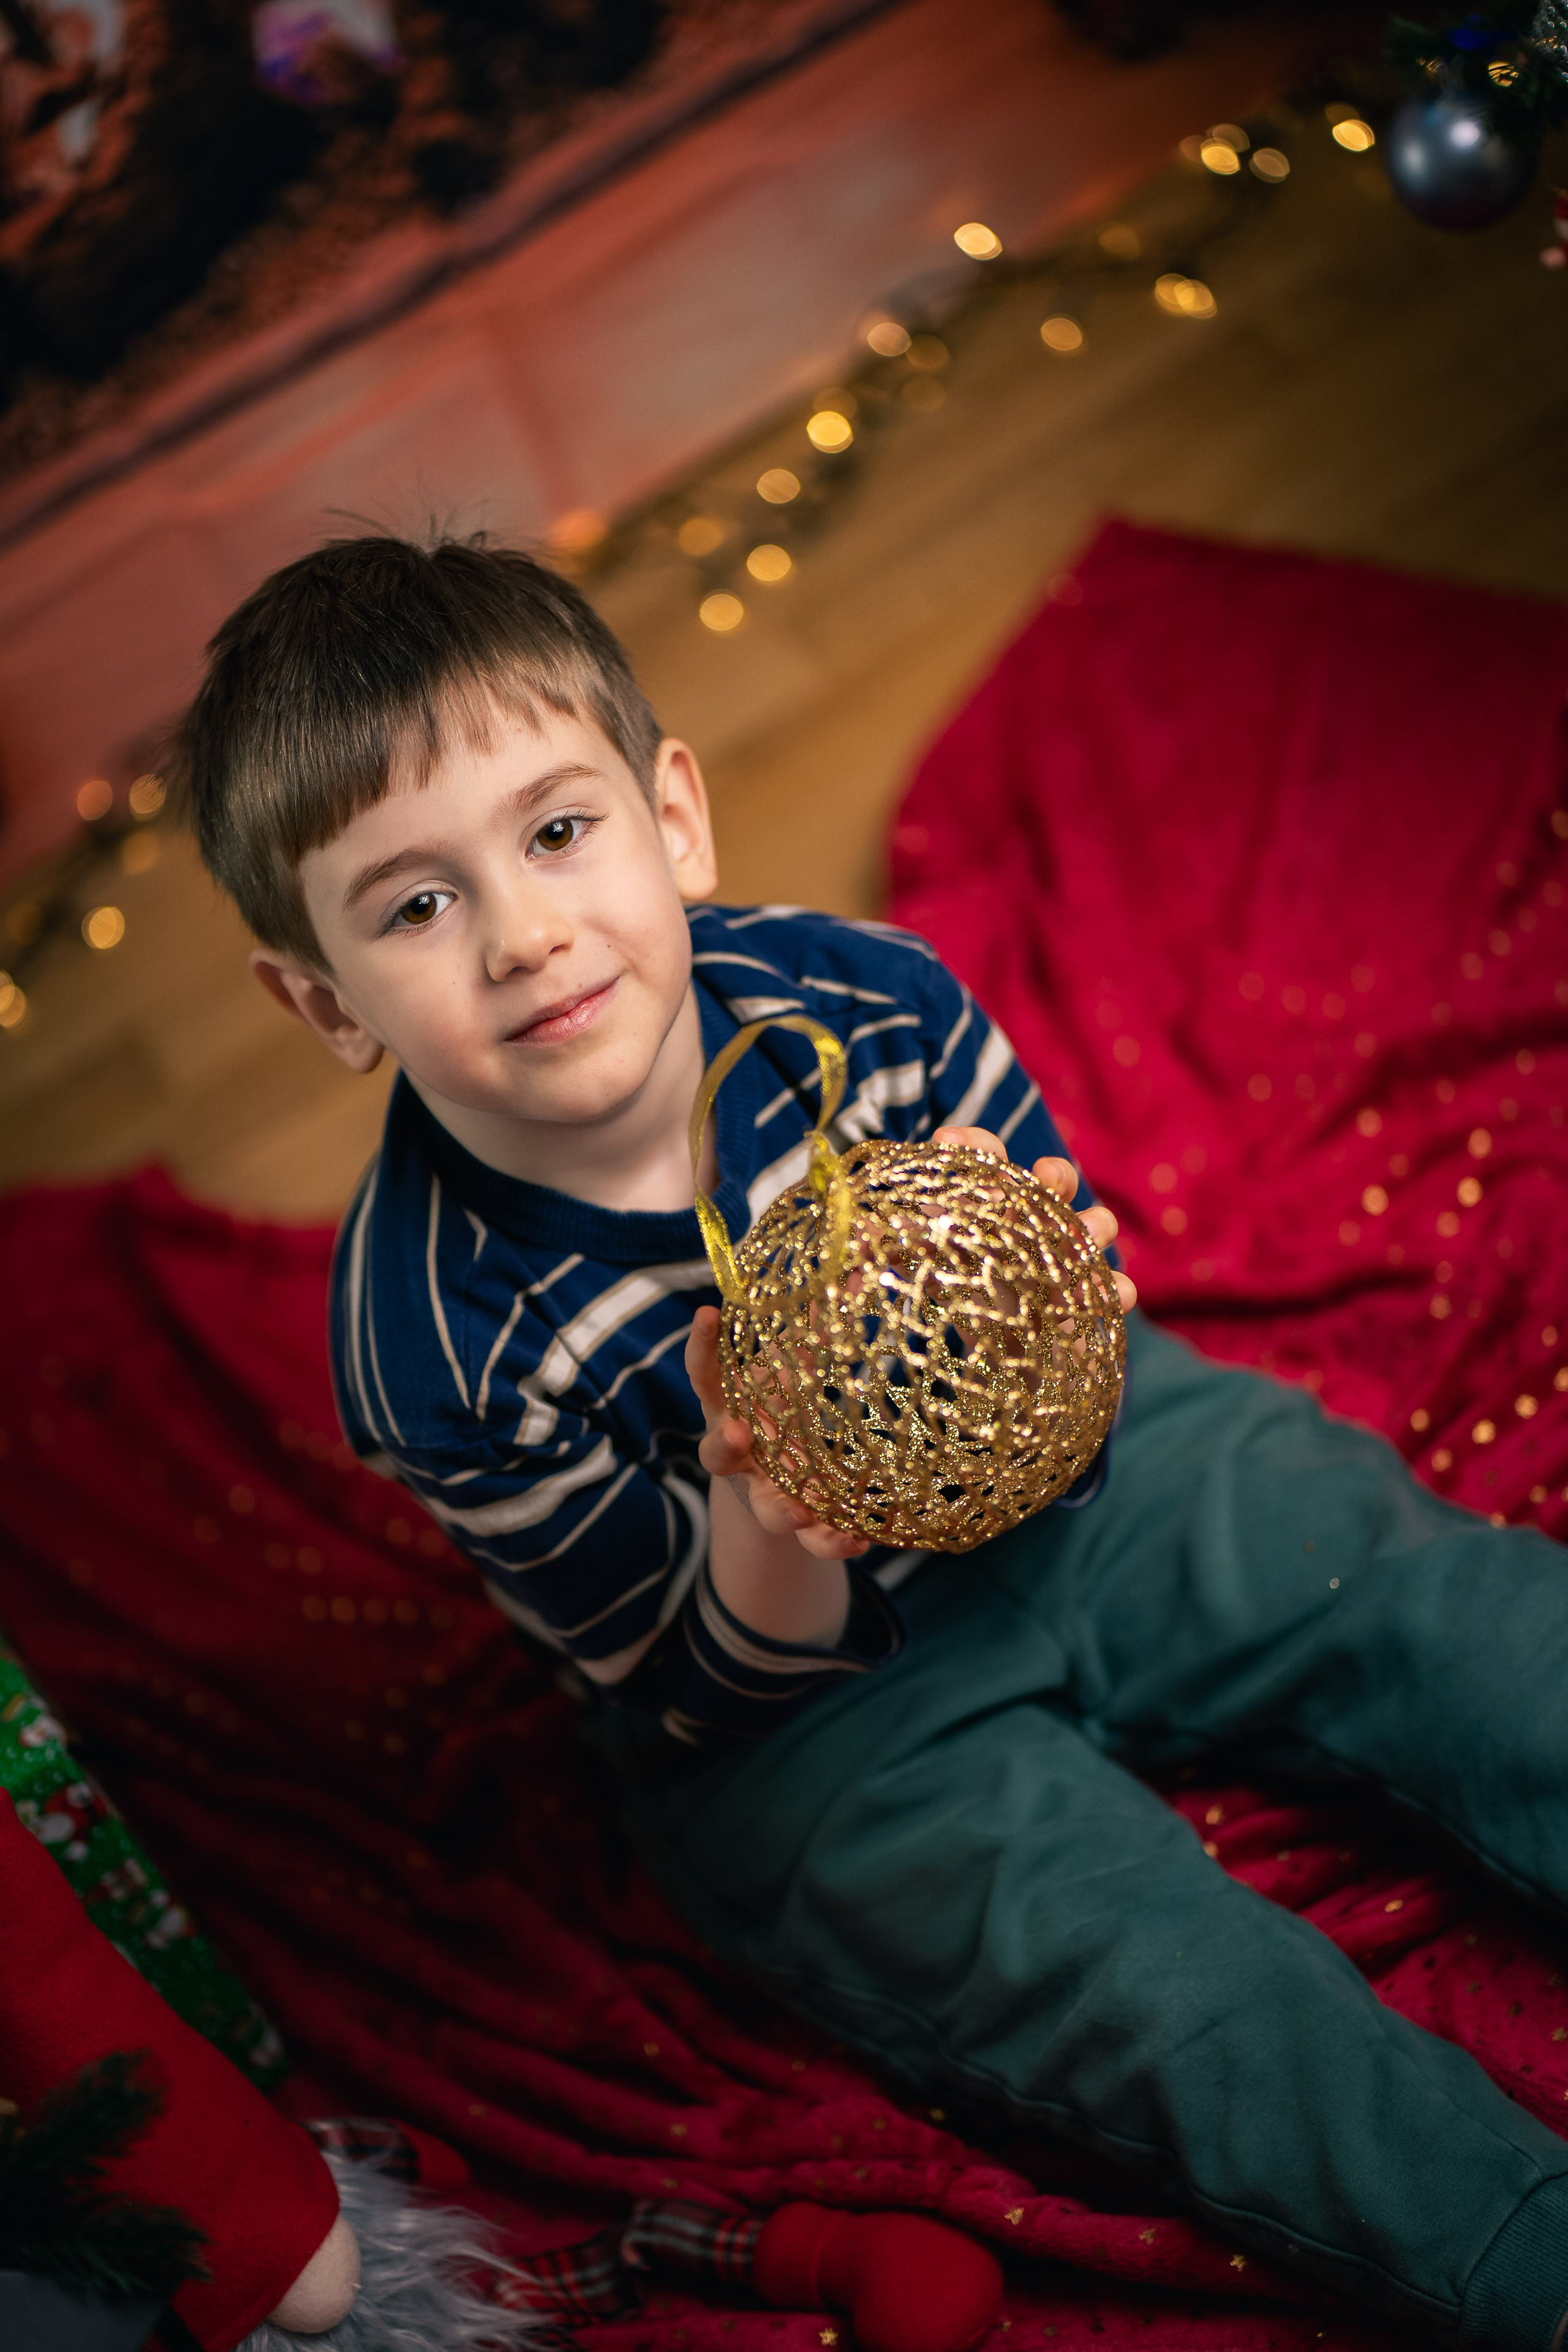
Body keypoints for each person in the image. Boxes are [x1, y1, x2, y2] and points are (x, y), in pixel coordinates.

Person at [176, 532, 1568, 2352]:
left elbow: (1066, 1296)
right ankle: (1525, 2260)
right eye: (415, 906)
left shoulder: (865, 1003)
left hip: (1093, 1479)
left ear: (674, 820)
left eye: (558, 831)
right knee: (1169, 1993)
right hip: (808, 1721)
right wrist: (768, 1502)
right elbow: (701, 1680)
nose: (521, 934)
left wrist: (1056, 1295)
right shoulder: (432, 1342)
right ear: (326, 1004)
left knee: (1425, 1603)